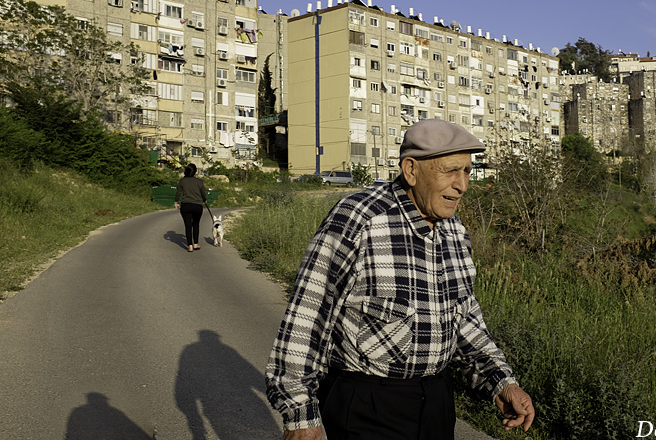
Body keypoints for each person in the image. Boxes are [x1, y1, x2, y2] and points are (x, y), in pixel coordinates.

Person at [266, 119, 534, 440]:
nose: (462, 185)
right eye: (451, 171)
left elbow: (465, 319)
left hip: (436, 402)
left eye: (467, 171)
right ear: (411, 170)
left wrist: (502, 382)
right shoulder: (360, 218)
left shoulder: (454, 231)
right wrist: (300, 415)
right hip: (367, 404)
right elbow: (308, 316)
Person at [174, 163, 207, 252]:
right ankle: (196, 244)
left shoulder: (182, 181)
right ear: (195, 172)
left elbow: (179, 192)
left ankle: (190, 246)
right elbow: (203, 193)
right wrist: (204, 200)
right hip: (197, 206)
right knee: (196, 224)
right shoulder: (199, 181)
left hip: (186, 205)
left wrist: (176, 201)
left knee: (188, 226)